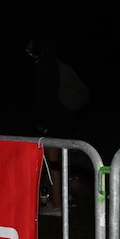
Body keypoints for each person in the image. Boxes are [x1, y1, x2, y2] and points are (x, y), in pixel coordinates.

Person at [27, 35, 87, 215]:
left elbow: (45, 97)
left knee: (53, 164)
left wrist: (42, 122)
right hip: (64, 121)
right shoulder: (54, 64)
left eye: (30, 45)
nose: (28, 49)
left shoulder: (46, 65)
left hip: (54, 123)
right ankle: (59, 200)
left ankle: (57, 204)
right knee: (56, 163)